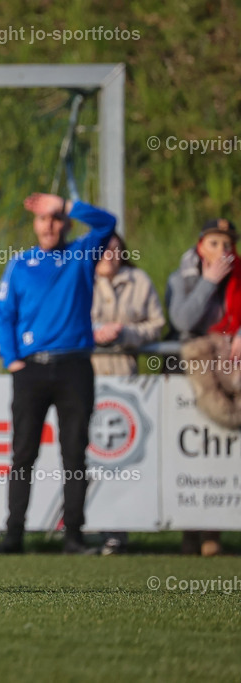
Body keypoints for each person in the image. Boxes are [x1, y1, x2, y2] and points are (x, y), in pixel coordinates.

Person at [0, 193, 116, 555]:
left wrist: (65, 203)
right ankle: (14, 536)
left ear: (67, 223)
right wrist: (12, 359)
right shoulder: (20, 263)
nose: (49, 225)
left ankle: (73, 536)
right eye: (43, 218)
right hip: (31, 370)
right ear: (35, 224)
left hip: (74, 367)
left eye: (56, 218)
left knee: (74, 454)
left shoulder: (81, 254)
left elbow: (107, 223)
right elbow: (4, 313)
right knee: (23, 453)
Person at [165, 217, 239, 557]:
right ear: (200, 247)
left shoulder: (239, 279)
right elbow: (183, 320)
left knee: (220, 451)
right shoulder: (180, 279)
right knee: (189, 454)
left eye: (227, 244)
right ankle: (188, 530)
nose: (222, 250)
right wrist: (209, 283)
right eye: (214, 243)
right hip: (189, 373)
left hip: (228, 370)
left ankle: (213, 531)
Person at [90, 233, 165, 554]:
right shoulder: (79, 279)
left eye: (116, 249)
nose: (110, 254)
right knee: (82, 455)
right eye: (104, 249)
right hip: (84, 375)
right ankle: (77, 528)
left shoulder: (139, 281)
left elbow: (157, 324)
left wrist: (126, 333)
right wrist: (93, 333)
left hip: (125, 378)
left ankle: (116, 530)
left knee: (119, 459)